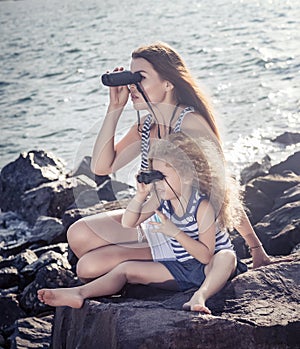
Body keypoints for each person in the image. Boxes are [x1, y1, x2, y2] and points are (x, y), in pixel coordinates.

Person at [67, 41, 271, 289]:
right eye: (131, 78)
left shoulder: (191, 124)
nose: (132, 86)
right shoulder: (147, 125)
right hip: (156, 218)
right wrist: (115, 108)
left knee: (87, 267)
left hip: (188, 235)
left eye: (139, 78)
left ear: (168, 83)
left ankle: (163, 271)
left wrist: (255, 247)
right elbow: (101, 167)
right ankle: (143, 271)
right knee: (77, 236)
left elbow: (222, 186)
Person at [38, 133, 246, 313]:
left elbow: (205, 255)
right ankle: (79, 293)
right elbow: (129, 222)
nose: (157, 183)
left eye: (161, 176)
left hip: (210, 268)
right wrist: (140, 196)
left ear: (187, 176)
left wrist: (174, 232)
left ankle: (200, 296)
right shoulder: (162, 200)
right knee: (125, 269)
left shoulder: (202, 207)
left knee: (226, 256)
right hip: (180, 268)